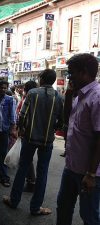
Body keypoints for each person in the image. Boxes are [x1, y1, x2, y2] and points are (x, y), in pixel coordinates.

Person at [3, 69, 63, 216]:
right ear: (54, 81)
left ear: (41, 79)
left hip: (30, 137)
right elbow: (61, 122)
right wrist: (51, 130)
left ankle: (14, 200)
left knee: (23, 168)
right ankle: (36, 207)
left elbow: (22, 115)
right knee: (42, 174)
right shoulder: (59, 97)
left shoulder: (33, 93)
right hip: (47, 141)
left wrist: (20, 129)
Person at [56, 53, 100, 225]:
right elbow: (68, 121)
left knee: (88, 216)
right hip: (72, 167)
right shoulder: (80, 95)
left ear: (84, 72)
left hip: (89, 172)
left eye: (71, 72)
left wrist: (90, 174)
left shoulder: (96, 97)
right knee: (64, 207)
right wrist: (69, 94)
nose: (69, 76)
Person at [0, 80, 17, 187]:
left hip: (4, 130)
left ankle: (5, 177)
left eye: (5, 88)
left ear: (7, 89)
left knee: (3, 153)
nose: (3, 89)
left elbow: (13, 116)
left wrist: (12, 129)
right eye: (1, 87)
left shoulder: (10, 100)